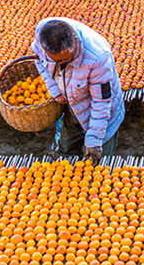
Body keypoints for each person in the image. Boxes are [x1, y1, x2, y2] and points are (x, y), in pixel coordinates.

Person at [31, 18, 125, 164]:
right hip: (73, 103)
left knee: (96, 165)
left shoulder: (98, 56)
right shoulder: (42, 37)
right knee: (65, 153)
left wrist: (94, 140)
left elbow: (101, 102)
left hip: (102, 112)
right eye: (56, 61)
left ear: (75, 41)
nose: (61, 64)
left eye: (65, 59)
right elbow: (39, 62)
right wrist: (55, 90)